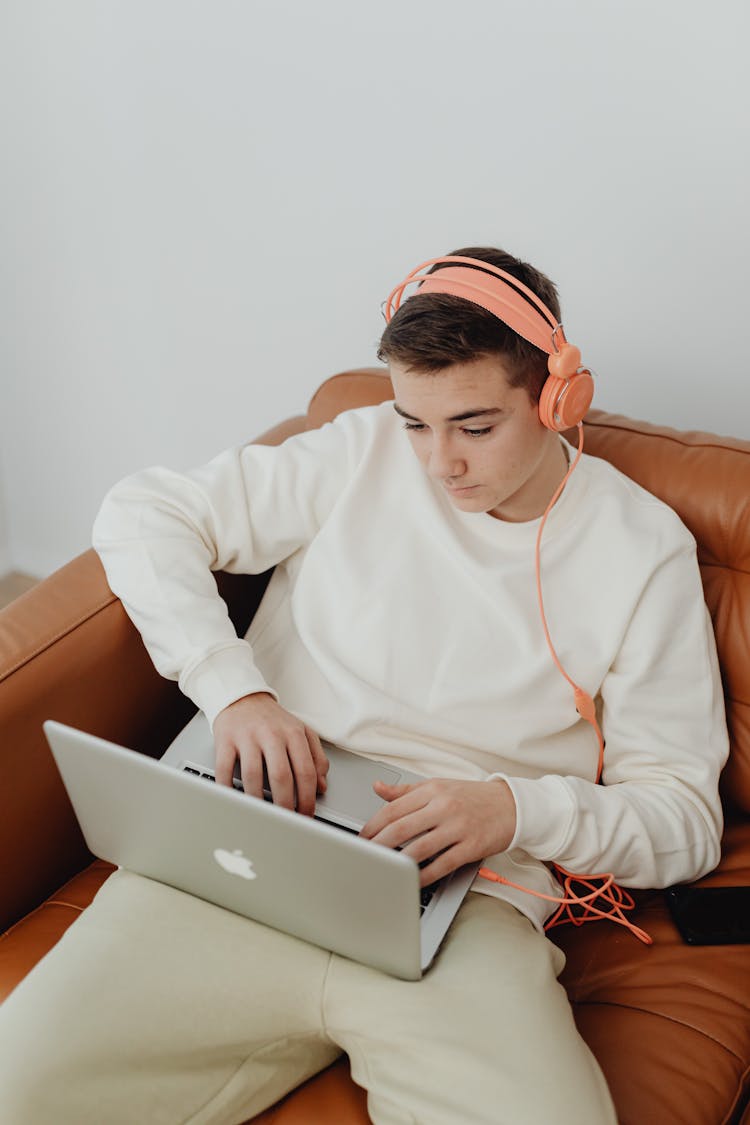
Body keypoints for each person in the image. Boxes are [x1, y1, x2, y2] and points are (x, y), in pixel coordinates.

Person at [0, 246, 728, 1124]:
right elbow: (143, 512)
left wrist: (513, 810)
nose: (438, 463)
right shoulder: (361, 450)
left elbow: (684, 821)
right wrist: (235, 690)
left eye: (474, 425)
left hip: (464, 901)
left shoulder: (642, 550)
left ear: (557, 396)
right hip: (250, 844)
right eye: (416, 423)